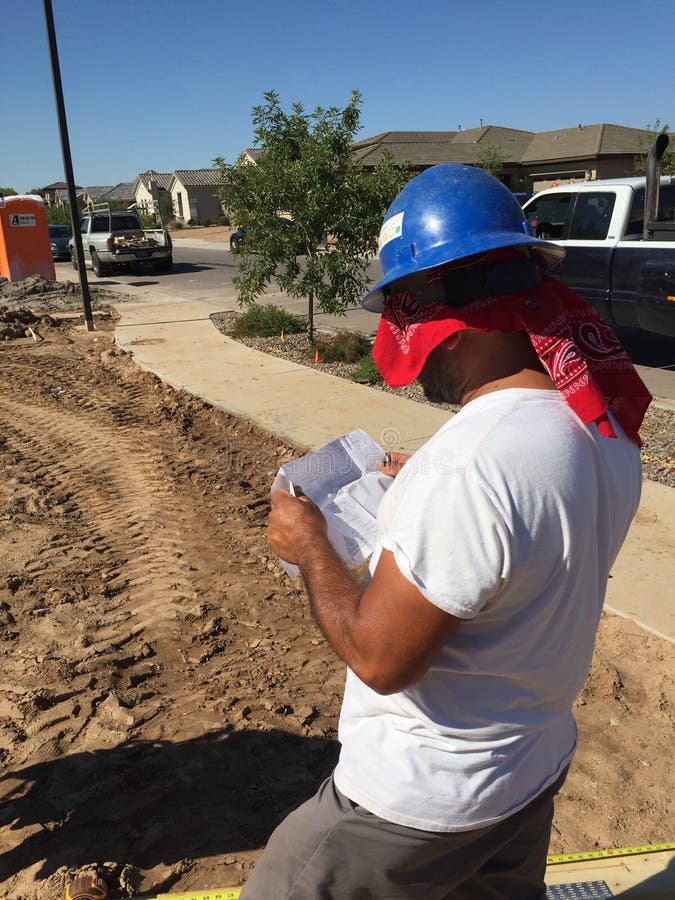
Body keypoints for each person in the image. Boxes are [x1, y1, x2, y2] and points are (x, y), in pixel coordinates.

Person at [241, 164, 652, 899]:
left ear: (446, 321)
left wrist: (309, 547)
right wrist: (427, 492)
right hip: (527, 768)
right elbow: (522, 541)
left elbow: (380, 658)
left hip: (419, 799)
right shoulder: (599, 426)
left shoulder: (468, 468)